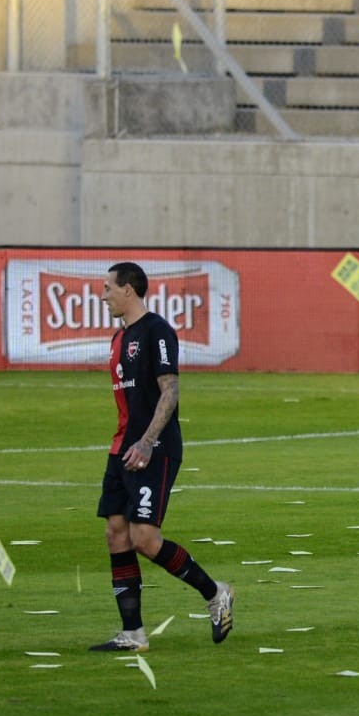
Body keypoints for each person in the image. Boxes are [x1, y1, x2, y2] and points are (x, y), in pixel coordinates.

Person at [89, 261, 235, 652]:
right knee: (115, 533)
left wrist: (148, 442)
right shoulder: (119, 339)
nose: (103, 295)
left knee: (144, 537)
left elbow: (170, 391)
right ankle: (133, 633)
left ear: (128, 291)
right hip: (121, 447)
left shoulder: (157, 331)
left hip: (154, 448)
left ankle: (215, 592)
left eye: (108, 288)